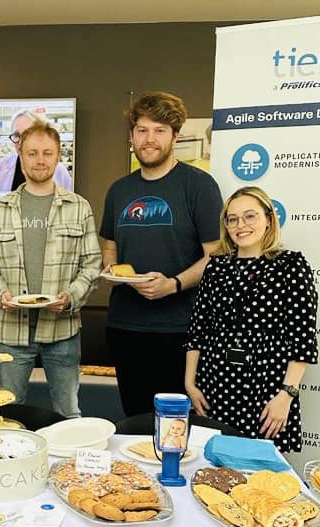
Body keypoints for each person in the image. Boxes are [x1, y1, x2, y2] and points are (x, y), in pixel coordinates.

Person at [100, 91, 223, 417]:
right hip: (125, 327)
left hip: (180, 330)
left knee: (177, 427)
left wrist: (174, 284)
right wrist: (111, 269)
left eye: (159, 130)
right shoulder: (119, 190)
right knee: (136, 421)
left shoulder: (199, 185)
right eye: (142, 130)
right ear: (132, 136)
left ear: (175, 136)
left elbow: (217, 254)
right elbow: (109, 244)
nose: (149, 139)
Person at [0, 122, 101, 418]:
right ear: (20, 155)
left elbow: (92, 264)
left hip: (62, 331)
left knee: (68, 413)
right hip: (12, 330)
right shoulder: (0, 209)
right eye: (32, 153)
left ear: (59, 156)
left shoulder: (78, 207)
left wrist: (70, 296)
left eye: (48, 153)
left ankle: (66, 466)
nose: (40, 160)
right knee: (7, 414)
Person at [184, 186, 318, 452]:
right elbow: (198, 329)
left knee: (260, 481)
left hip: (267, 390)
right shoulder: (217, 266)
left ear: (269, 219)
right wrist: (190, 382)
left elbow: (302, 340)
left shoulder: (291, 266)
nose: (240, 225)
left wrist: (286, 395)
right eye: (232, 219)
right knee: (212, 470)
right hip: (215, 387)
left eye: (250, 216)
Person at [0, 109, 72, 192]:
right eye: (16, 135)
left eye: (27, 135)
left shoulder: (60, 172)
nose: (21, 142)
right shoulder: (4, 164)